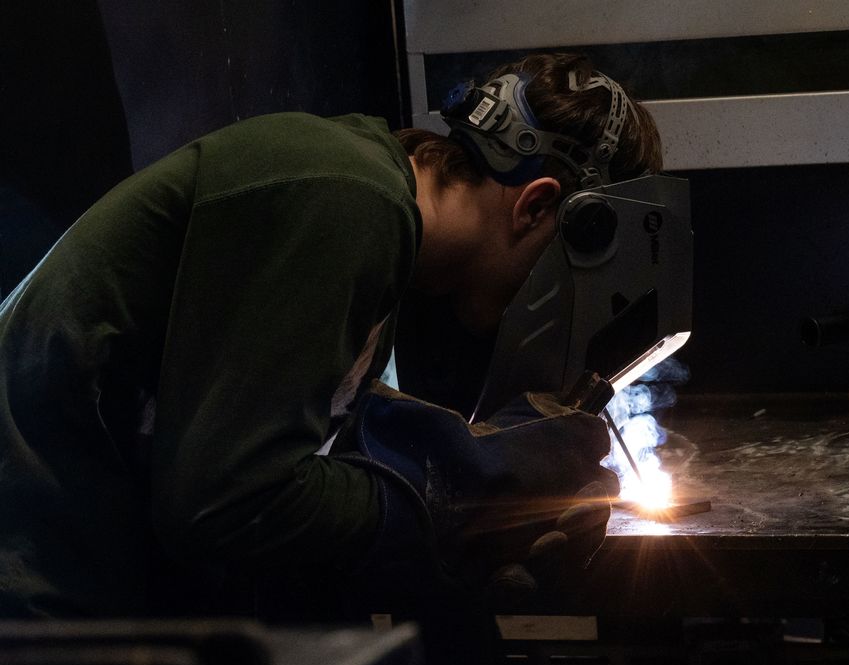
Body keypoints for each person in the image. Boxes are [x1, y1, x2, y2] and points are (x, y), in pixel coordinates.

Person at [0, 53, 663, 625]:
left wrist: (467, 513)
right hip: (38, 588)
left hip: (85, 561)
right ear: (538, 207)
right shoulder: (347, 197)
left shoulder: (375, 215)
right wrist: (441, 500)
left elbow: (272, 442)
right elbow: (225, 500)